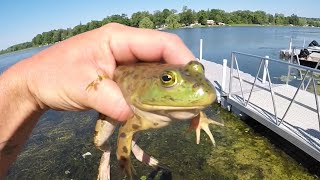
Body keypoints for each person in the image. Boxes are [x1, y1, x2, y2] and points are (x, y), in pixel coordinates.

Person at [0, 23, 195, 177]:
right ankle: (106, 153)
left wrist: (26, 90)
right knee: (100, 140)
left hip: (140, 102)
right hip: (121, 95)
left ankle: (134, 147)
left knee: (133, 124)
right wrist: (29, 86)